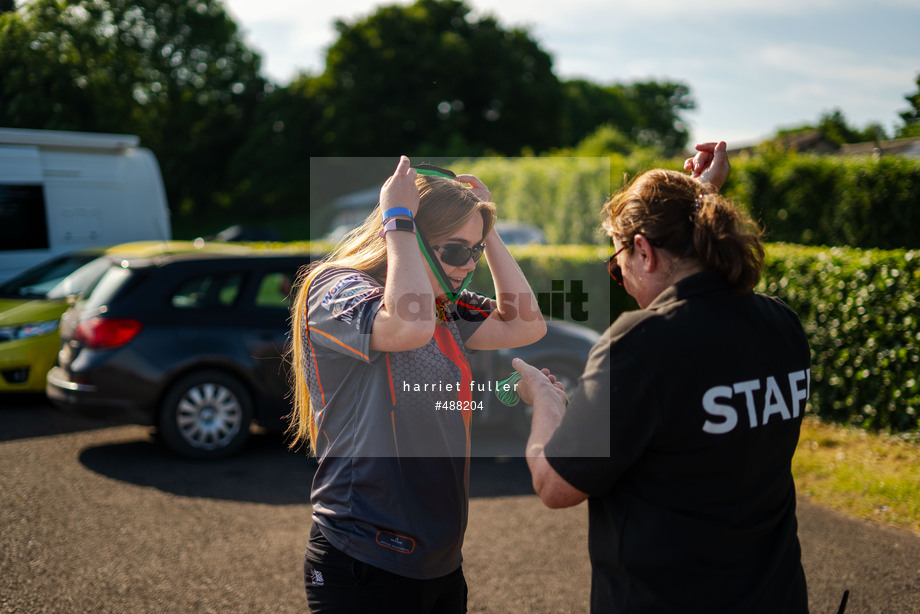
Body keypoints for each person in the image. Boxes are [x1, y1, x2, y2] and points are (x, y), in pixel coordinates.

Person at [514, 142, 812, 613]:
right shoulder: (780, 324)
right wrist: (696, 201)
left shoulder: (642, 344)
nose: (624, 281)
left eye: (618, 267)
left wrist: (547, 401)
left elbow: (556, 486)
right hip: (774, 595)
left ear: (643, 251)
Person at [289, 156, 546, 613]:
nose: (467, 265)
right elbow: (406, 329)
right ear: (409, 236)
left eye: (473, 251)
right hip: (364, 556)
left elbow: (525, 325)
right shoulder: (336, 287)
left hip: (439, 558)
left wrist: (489, 233)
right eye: (454, 250)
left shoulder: (440, 301)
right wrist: (397, 220)